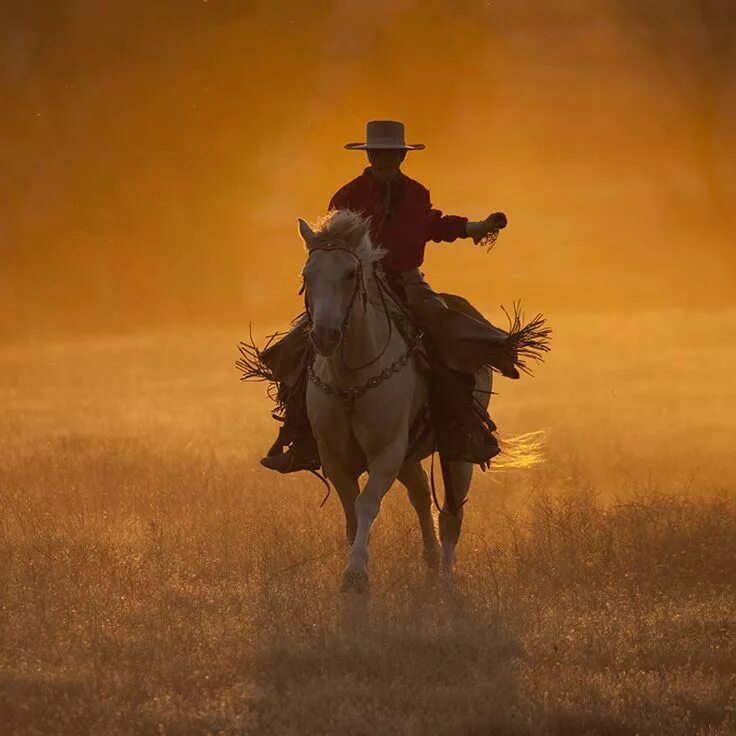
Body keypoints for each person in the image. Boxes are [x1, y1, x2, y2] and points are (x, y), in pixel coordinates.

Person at [257, 120, 525, 474]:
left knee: (445, 328)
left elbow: (432, 225)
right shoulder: (347, 195)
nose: (383, 160)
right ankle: (297, 435)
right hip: (356, 284)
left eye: (390, 154)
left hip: (407, 281)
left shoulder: (417, 193)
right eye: (377, 154)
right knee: (296, 346)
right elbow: (334, 241)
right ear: (369, 155)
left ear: (401, 156)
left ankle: (468, 423)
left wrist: (475, 227)